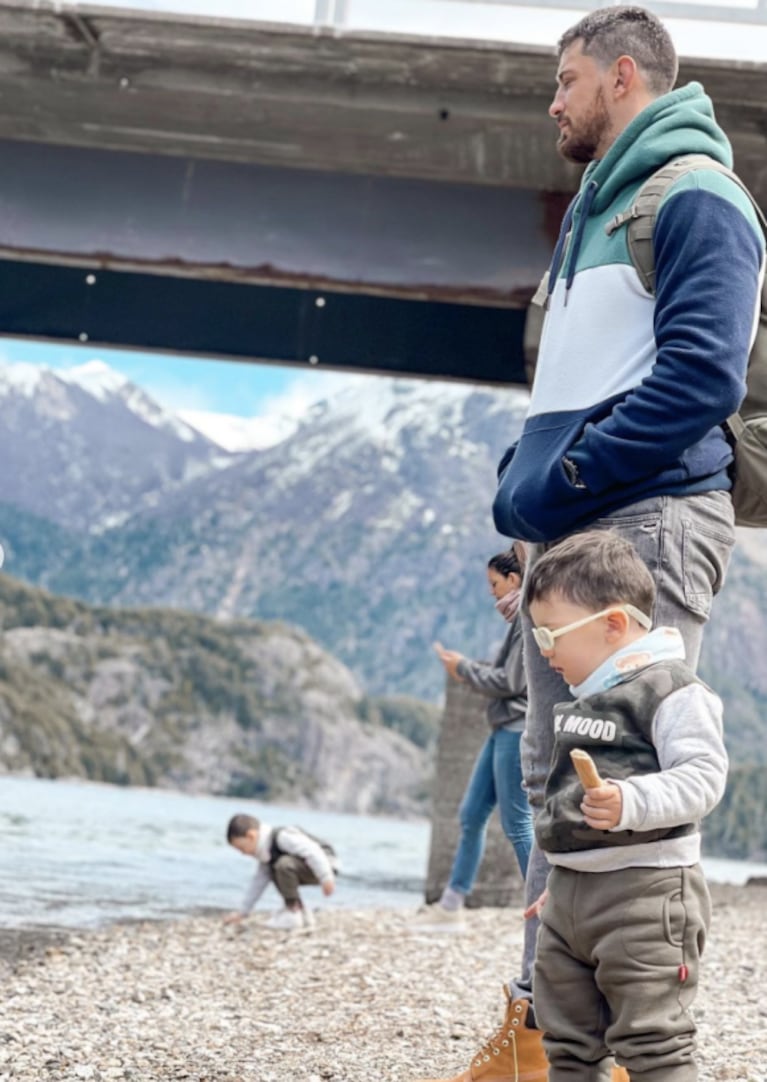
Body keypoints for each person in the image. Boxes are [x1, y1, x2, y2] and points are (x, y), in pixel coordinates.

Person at [416, 5, 763, 1082]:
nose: (551, 102)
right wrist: (536, 499)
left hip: (639, 523)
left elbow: (701, 374)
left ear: (622, 76)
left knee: (615, 778)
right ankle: (541, 1031)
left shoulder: (693, 195)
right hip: (574, 533)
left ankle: (628, 1055)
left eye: (564, 81)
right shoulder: (595, 210)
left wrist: (567, 476)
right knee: (551, 781)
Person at [526, 530, 727, 1080]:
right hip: (571, 899)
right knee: (567, 1041)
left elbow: (705, 777)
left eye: (550, 633)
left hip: (645, 897)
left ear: (613, 624)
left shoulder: (672, 690)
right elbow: (569, 799)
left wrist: (632, 800)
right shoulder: (585, 698)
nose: (544, 650)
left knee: (652, 1043)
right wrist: (559, 879)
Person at [413, 547, 534, 931]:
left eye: (495, 584)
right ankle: (451, 905)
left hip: (516, 730)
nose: (493, 594)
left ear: (514, 579)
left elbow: (512, 682)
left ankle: (549, 906)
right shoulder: (519, 622)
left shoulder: (528, 619)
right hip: (503, 728)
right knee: (471, 815)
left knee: (517, 825)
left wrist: (463, 669)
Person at [223, 813, 337, 932]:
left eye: (242, 848)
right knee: (275, 869)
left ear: (251, 836)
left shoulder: (282, 837)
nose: (243, 853)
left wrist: (326, 877)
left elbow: (312, 851)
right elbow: (258, 884)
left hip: (325, 864)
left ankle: (293, 913)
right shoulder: (266, 855)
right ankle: (301, 913)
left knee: (283, 865)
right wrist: (243, 912)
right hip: (309, 867)